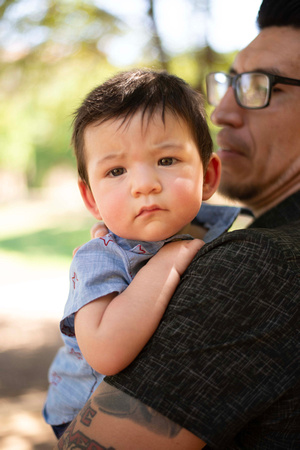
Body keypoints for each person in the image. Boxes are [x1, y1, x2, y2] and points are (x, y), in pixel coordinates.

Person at [55, 0, 300, 448]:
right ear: (90, 195)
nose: (222, 111)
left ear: (208, 175)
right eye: (229, 83)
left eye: (260, 86)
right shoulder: (182, 239)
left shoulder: (265, 263)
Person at [44, 68, 242, 440]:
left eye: (166, 161)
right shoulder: (99, 257)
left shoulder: (211, 235)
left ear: (210, 176)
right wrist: (167, 262)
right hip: (84, 414)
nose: (144, 185)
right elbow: (104, 351)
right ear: (91, 198)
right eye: (116, 170)